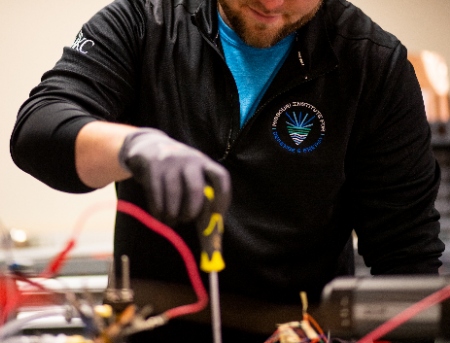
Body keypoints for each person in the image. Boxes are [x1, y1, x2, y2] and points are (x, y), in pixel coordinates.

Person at [10, 0, 445, 341]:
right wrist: (133, 145)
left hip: (301, 334)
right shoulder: (145, 21)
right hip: (147, 333)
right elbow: (39, 128)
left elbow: (407, 257)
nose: (272, 4)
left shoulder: (373, 65)